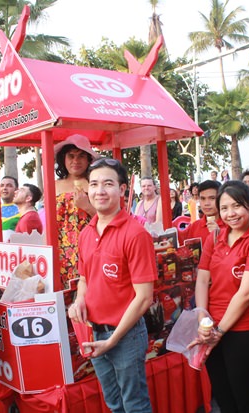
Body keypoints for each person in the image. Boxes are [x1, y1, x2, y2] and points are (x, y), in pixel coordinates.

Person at [69, 158, 156, 413]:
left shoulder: (135, 234)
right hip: (95, 332)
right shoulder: (87, 233)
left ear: (123, 190)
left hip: (126, 335)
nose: (99, 191)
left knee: (135, 405)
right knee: (114, 403)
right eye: (94, 184)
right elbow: (85, 279)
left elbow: (144, 298)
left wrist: (113, 340)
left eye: (108, 183)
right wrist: (79, 301)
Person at [193, 180, 249, 413]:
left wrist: (219, 331)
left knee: (245, 399)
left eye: (236, 206)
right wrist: (203, 321)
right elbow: (202, 280)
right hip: (213, 328)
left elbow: (247, 294)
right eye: (224, 208)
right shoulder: (215, 238)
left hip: (245, 330)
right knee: (224, 398)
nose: (230, 214)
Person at [53, 134, 99, 288]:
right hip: (59, 251)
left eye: (81, 156)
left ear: (88, 160)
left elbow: (108, 218)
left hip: (90, 248)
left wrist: (87, 206)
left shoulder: (95, 184)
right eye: (71, 156)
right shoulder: (54, 185)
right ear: (63, 159)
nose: (75, 161)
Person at [178, 180, 226, 244]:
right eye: (203, 199)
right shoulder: (194, 226)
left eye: (212, 198)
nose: (206, 203)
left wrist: (220, 235)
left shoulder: (231, 225)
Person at [0, 175, 20, 242]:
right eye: (2, 185)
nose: (4, 188)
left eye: (9, 185)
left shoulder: (24, 209)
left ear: (16, 189)